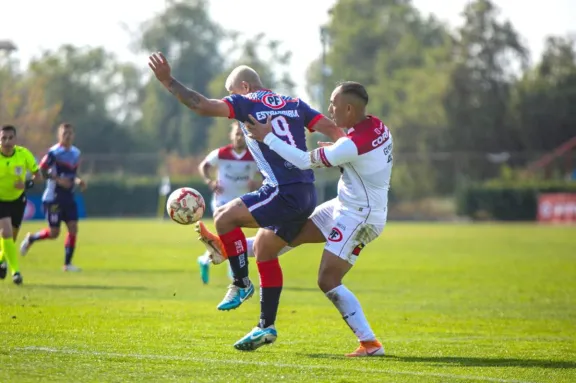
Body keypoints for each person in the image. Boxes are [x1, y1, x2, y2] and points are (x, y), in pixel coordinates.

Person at [148, 53, 344, 347]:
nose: (229, 101)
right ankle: (266, 326)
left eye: (230, 94)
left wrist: (167, 81)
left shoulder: (245, 102)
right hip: (306, 192)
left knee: (224, 217)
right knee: (265, 250)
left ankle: (240, 283)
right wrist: (343, 151)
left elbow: (199, 105)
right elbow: (334, 128)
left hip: (282, 191)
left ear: (243, 86)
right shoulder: (294, 103)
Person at [205, 82, 392, 356]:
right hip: (345, 205)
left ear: (349, 108)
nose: (329, 109)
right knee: (280, 237)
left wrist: (268, 137)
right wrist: (341, 154)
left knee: (327, 279)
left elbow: (304, 161)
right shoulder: (376, 126)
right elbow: (362, 157)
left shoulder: (351, 144)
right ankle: (231, 249)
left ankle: (370, 343)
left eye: (334, 104)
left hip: (361, 217)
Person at [197, 121, 260, 284]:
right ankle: (234, 274)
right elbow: (204, 166)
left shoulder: (253, 155)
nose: (239, 137)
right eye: (237, 134)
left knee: (231, 238)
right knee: (230, 237)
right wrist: (209, 181)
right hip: (222, 201)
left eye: (242, 134)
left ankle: (205, 260)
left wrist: (258, 184)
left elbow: (266, 174)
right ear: (231, 136)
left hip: (241, 203)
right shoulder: (221, 153)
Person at [20, 123, 87, 271]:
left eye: (70, 133)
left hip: (68, 197)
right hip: (53, 198)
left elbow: (72, 173)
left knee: (73, 228)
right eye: (65, 134)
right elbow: (41, 171)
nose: (68, 136)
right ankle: (31, 238)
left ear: (73, 135)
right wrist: (58, 180)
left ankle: (67, 264)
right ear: (59, 136)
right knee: (54, 233)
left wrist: (78, 181)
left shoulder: (76, 153)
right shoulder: (53, 153)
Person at [0, 125, 41, 285]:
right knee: (6, 231)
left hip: (17, 200)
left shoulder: (24, 154)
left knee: (12, 237)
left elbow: (39, 176)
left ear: (15, 139)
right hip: (1, 200)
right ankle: (15, 272)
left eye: (10, 138)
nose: (7, 141)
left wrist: (26, 184)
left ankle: (1, 259)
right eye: (4, 138)